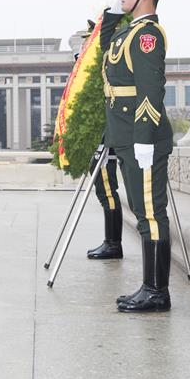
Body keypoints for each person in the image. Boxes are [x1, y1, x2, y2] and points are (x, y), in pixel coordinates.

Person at [99, 0, 174, 312]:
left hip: (141, 136)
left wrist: (144, 138)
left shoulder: (147, 36)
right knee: (143, 211)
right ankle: (149, 286)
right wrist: (113, 12)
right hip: (126, 135)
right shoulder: (129, 31)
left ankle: (156, 290)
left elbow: (150, 91)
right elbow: (105, 49)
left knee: (151, 213)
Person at [74, 21, 123, 261]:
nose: (84, 44)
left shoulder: (107, 64)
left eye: (87, 40)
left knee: (108, 191)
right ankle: (110, 241)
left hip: (107, 135)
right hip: (98, 135)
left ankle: (113, 243)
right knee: (104, 191)